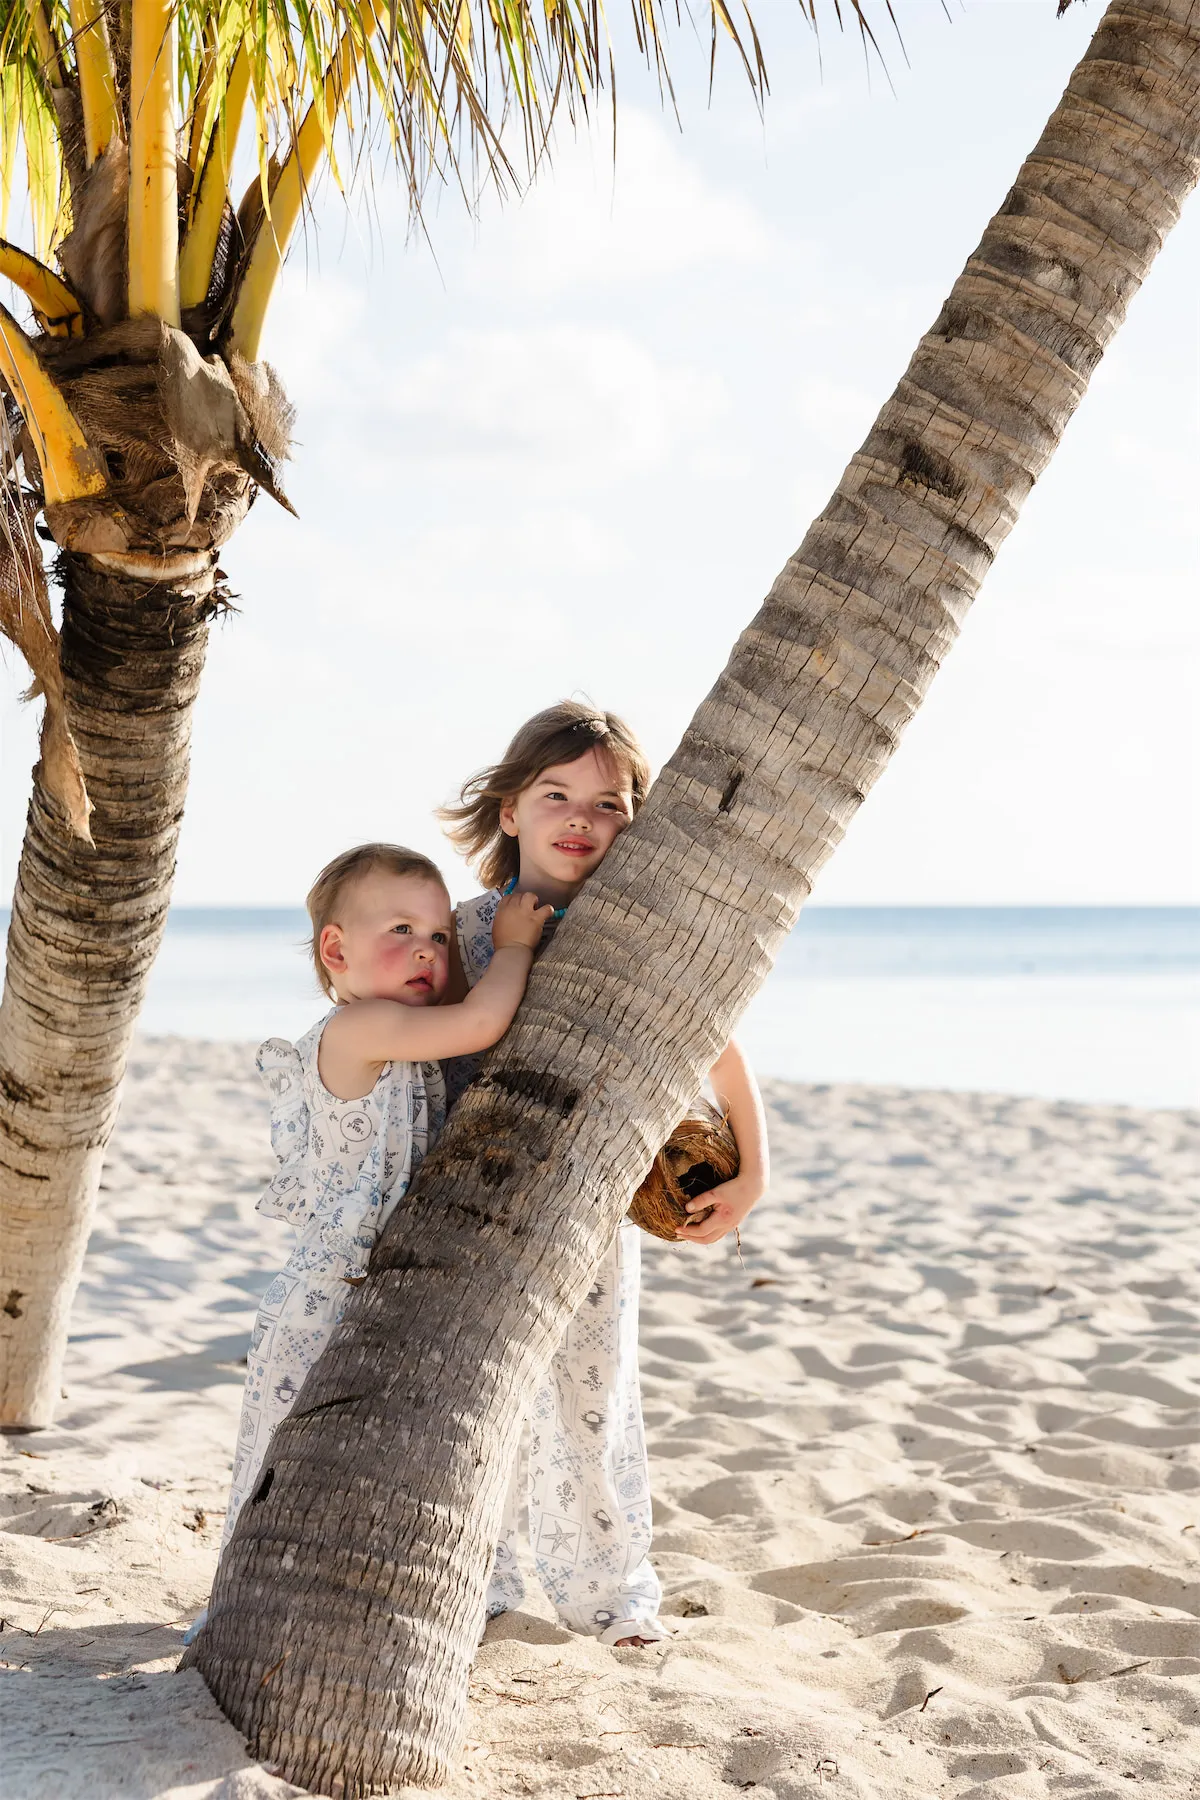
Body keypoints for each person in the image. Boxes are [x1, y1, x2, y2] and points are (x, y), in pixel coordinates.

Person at [440, 702, 770, 1648]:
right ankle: (485, 1583)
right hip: (463, 1211)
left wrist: (752, 1176)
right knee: (475, 1404)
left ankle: (613, 1599)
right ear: (510, 811)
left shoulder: (633, 942)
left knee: (592, 1406)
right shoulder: (465, 933)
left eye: (611, 803)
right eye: (556, 794)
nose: (581, 817)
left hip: (587, 1218)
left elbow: (725, 1056)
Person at [219, 843, 551, 1553]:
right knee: (279, 1465)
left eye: (437, 935)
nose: (427, 950)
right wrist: (516, 949)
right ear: (335, 949)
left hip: (361, 1282)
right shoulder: (359, 1027)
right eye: (400, 930)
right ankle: (236, 1597)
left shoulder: (395, 1033)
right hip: (325, 1295)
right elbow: (481, 1024)